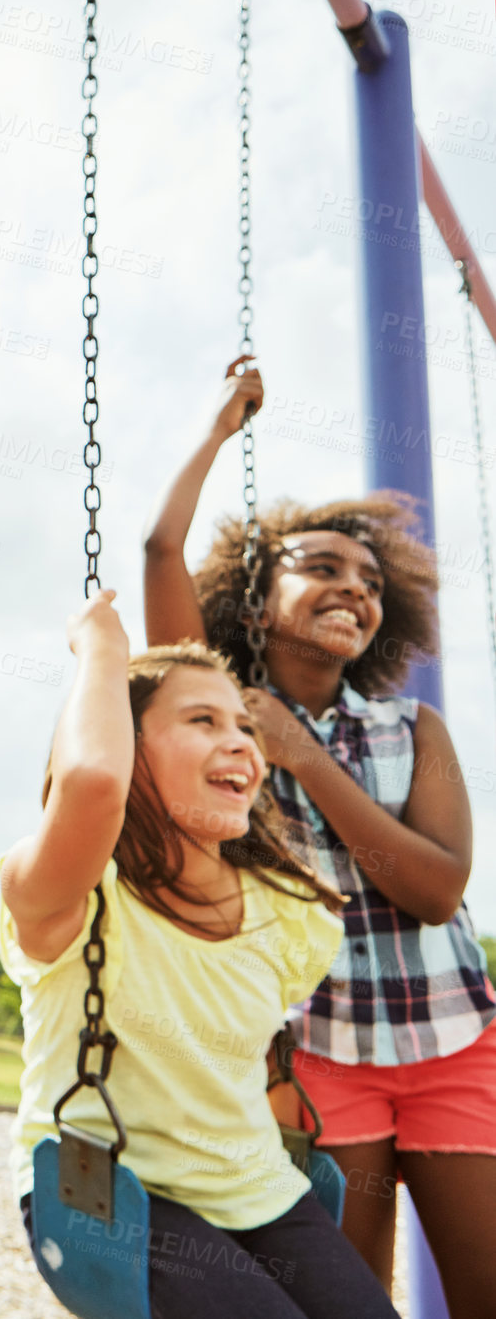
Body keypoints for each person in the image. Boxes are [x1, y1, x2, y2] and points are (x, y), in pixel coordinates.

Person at [142, 356, 496, 1316]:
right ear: (257, 599)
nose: (354, 588)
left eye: (372, 581)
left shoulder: (412, 730)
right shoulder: (224, 724)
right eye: (324, 567)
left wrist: (304, 759)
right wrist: (218, 433)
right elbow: (157, 553)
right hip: (320, 1050)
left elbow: (431, 890)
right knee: (348, 1300)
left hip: (455, 1040)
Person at [1, 589, 399, 1317]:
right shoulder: (78, 896)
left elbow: (257, 1062)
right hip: (115, 1191)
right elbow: (90, 785)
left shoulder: (293, 911)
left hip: (258, 1189)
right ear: (126, 743)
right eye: (200, 720)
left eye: (245, 727)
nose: (240, 743)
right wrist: (100, 648)